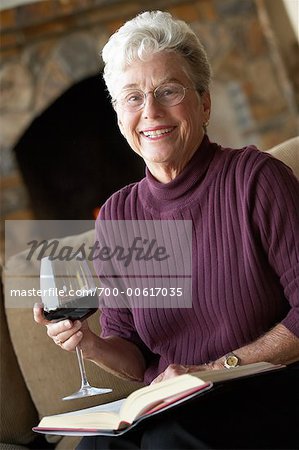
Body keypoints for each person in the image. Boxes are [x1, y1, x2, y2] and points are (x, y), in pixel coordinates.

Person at [34, 10, 299, 449]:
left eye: (168, 91)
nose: (150, 112)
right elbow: (135, 354)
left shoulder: (257, 179)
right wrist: (91, 343)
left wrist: (215, 369)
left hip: (267, 392)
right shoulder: (117, 217)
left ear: (204, 102)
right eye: (133, 97)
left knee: (167, 440)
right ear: (120, 116)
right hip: (175, 403)